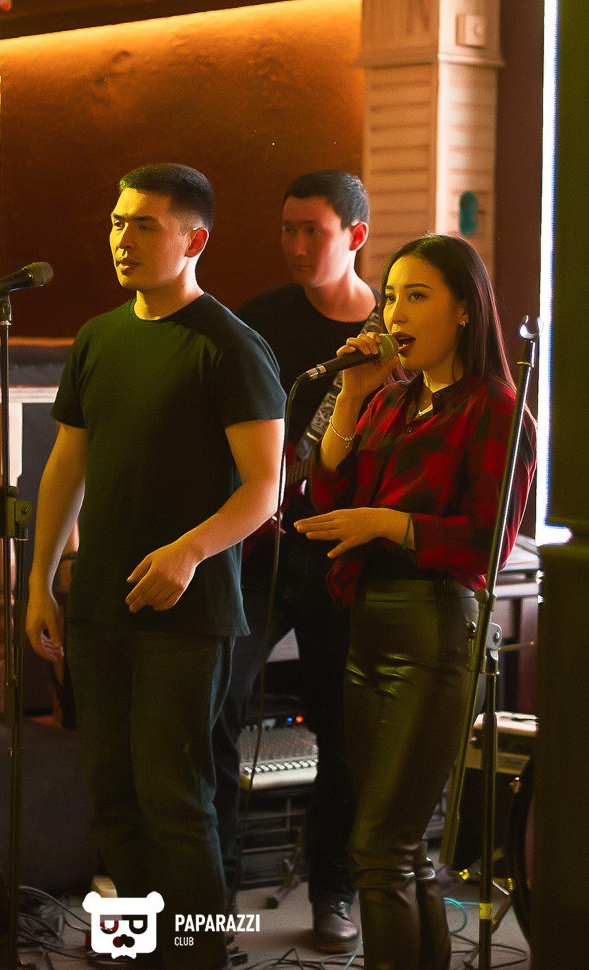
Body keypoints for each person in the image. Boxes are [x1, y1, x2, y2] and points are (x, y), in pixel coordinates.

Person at [25, 163, 285, 970]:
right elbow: (67, 465)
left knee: (176, 803)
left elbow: (266, 488)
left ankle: (197, 959)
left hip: (187, 616)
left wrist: (189, 550)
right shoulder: (99, 337)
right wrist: (39, 580)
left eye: (144, 224)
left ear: (193, 240)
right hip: (99, 606)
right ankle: (140, 954)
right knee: (112, 799)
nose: (122, 238)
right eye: (117, 221)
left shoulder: (229, 345)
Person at [293, 234, 535, 970]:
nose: (396, 314)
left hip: (434, 630)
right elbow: (325, 491)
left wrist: (387, 524)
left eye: (417, 297)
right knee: (398, 847)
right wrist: (351, 398)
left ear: (464, 310)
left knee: (381, 847)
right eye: (391, 296)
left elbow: (486, 546)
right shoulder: (390, 398)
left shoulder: (496, 409)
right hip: (368, 626)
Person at [210, 170, 379, 951]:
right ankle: (213, 894)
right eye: (287, 229)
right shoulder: (259, 321)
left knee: (342, 728)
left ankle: (332, 889)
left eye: (314, 230)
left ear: (355, 236)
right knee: (216, 704)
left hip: (343, 551)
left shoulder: (390, 332)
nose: (297, 245)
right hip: (259, 549)